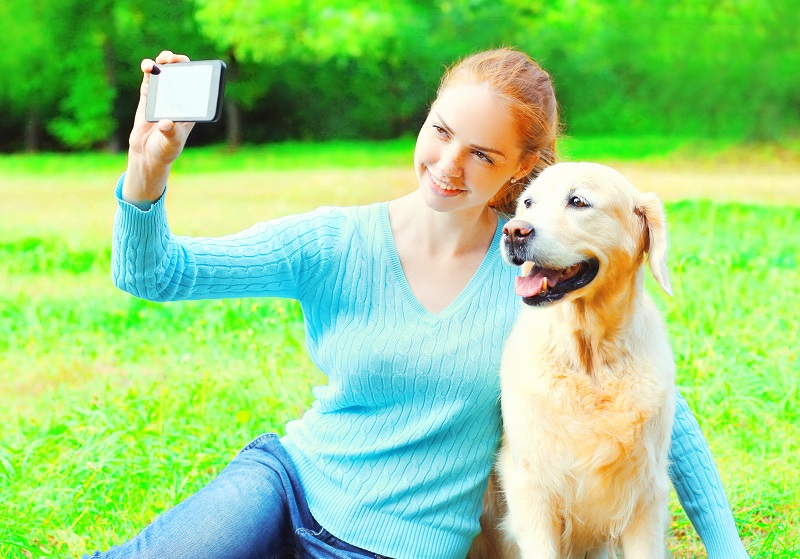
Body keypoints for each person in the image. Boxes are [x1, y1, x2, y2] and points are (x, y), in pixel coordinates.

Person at [87, 48, 749, 559]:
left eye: (481, 153)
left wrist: (728, 547)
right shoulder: (335, 241)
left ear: (522, 171)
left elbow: (654, 406)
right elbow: (156, 273)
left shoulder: (534, 284)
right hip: (284, 485)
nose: (447, 163)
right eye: (442, 130)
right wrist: (146, 172)